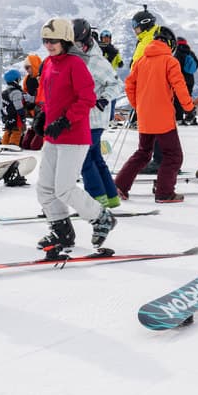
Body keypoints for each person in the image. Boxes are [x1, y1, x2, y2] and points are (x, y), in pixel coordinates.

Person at [29, 17, 118, 252]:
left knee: (64, 188)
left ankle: (102, 218)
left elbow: (87, 98)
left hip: (74, 136)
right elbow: (48, 98)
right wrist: (42, 115)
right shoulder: (49, 64)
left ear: (66, 40)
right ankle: (62, 231)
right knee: (45, 188)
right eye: (45, 40)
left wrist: (65, 120)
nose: (48, 45)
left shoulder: (75, 64)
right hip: (53, 136)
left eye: (53, 40)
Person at [114, 27, 195, 203]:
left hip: (144, 116)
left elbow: (129, 85)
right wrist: (189, 108)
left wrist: (138, 106)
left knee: (143, 152)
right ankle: (164, 192)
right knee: (173, 156)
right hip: (163, 117)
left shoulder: (141, 61)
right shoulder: (170, 61)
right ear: (170, 44)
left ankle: (119, 186)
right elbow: (180, 86)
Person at [73, 18, 123, 209]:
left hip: (94, 118)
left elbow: (117, 84)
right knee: (95, 158)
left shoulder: (96, 61)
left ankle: (96, 199)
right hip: (86, 117)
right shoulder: (78, 58)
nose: (76, 47)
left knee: (84, 159)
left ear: (86, 41)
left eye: (79, 44)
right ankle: (111, 197)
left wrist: (104, 99)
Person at [174, 37, 198, 124]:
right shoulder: (190, 52)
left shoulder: (177, 53)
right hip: (190, 80)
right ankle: (191, 117)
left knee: (178, 99)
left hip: (181, 80)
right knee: (188, 98)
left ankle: (179, 118)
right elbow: (197, 63)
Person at [1, 68, 28, 146]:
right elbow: (18, 105)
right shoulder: (16, 92)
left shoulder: (5, 92)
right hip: (16, 116)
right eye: (19, 79)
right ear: (15, 80)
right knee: (16, 131)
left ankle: (4, 144)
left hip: (7, 116)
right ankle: (13, 144)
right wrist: (22, 115)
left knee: (8, 131)